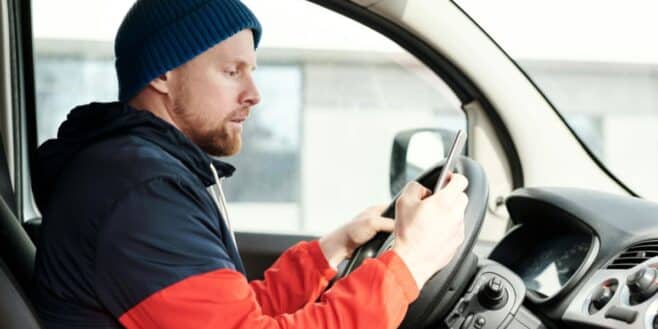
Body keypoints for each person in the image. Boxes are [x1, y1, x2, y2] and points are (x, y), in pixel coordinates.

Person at [31, 0, 468, 328]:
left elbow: (230, 312)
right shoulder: (140, 195)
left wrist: (334, 249)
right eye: (231, 71)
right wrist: (410, 261)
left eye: (252, 70)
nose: (254, 93)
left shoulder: (138, 173)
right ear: (163, 75)